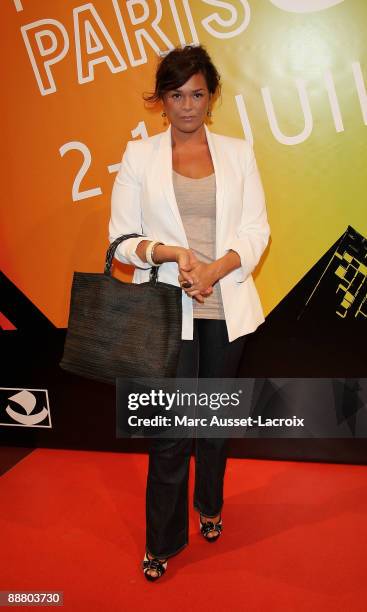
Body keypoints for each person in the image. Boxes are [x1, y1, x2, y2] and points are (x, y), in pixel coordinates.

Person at [109, 44, 270, 581]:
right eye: (176, 95)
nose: (187, 106)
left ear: (211, 95)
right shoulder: (139, 158)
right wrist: (170, 254)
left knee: (215, 425)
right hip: (166, 313)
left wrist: (215, 268)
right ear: (161, 100)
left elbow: (256, 230)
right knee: (172, 430)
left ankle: (211, 505)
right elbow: (121, 243)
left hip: (227, 306)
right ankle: (162, 541)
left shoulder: (239, 152)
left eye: (197, 94)